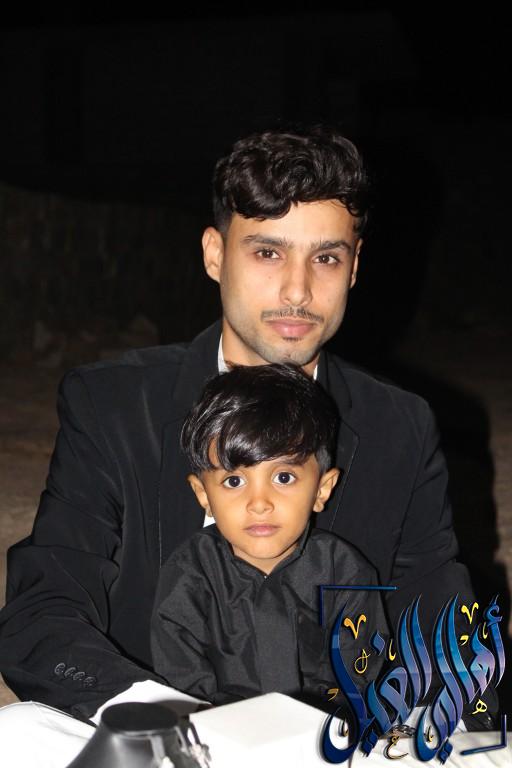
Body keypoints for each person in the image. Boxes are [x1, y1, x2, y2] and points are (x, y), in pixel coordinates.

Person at [0, 125, 495, 733]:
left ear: (355, 266)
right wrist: (165, 720)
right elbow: (44, 607)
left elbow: (440, 611)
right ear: (215, 254)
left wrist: (459, 720)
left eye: (326, 258)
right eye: (267, 252)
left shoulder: (399, 425)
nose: (297, 290)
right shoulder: (114, 405)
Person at [152, 363, 388, 709]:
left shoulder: (345, 574)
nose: (259, 503)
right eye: (234, 481)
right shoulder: (190, 574)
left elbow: (360, 673)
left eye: (283, 478)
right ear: (203, 495)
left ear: (322, 489)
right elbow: (181, 680)